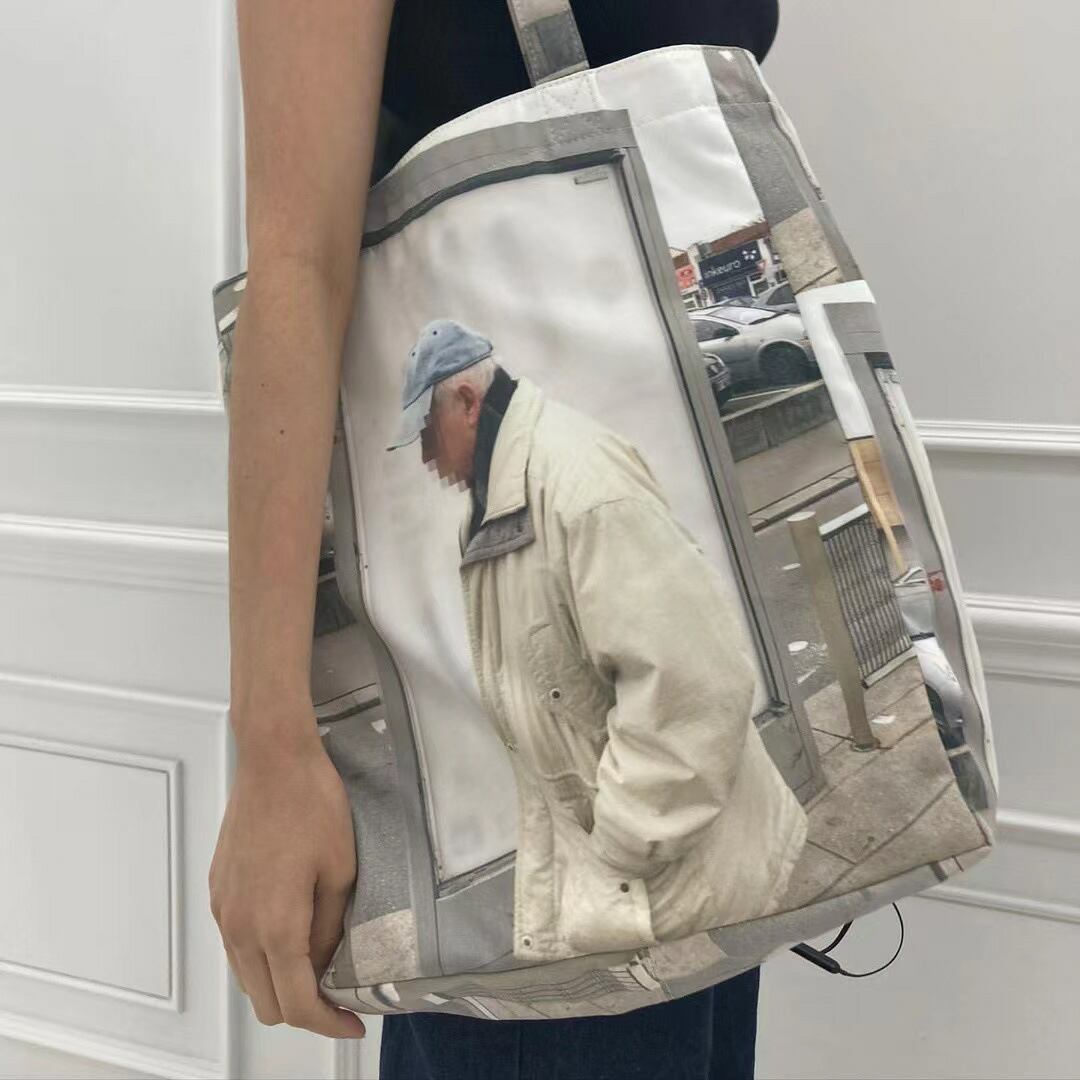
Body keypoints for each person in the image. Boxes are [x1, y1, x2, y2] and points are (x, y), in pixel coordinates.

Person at [209, 2, 784, 1076]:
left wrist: (614, 861)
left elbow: (695, 685)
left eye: (431, 423)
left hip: (650, 862)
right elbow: (296, 266)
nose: (423, 448)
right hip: (600, 874)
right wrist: (273, 748)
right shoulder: (531, 492)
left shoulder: (565, 483)